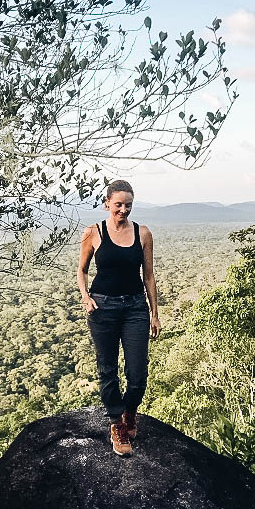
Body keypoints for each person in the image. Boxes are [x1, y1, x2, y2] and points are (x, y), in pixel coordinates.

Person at [77, 179, 161, 456]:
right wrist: (85, 297)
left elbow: (148, 276)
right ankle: (117, 423)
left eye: (128, 205)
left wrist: (154, 314)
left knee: (137, 373)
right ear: (106, 203)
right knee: (107, 369)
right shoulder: (93, 232)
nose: (123, 210)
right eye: (118, 205)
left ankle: (130, 410)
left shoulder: (143, 233)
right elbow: (82, 270)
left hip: (135, 307)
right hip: (103, 308)